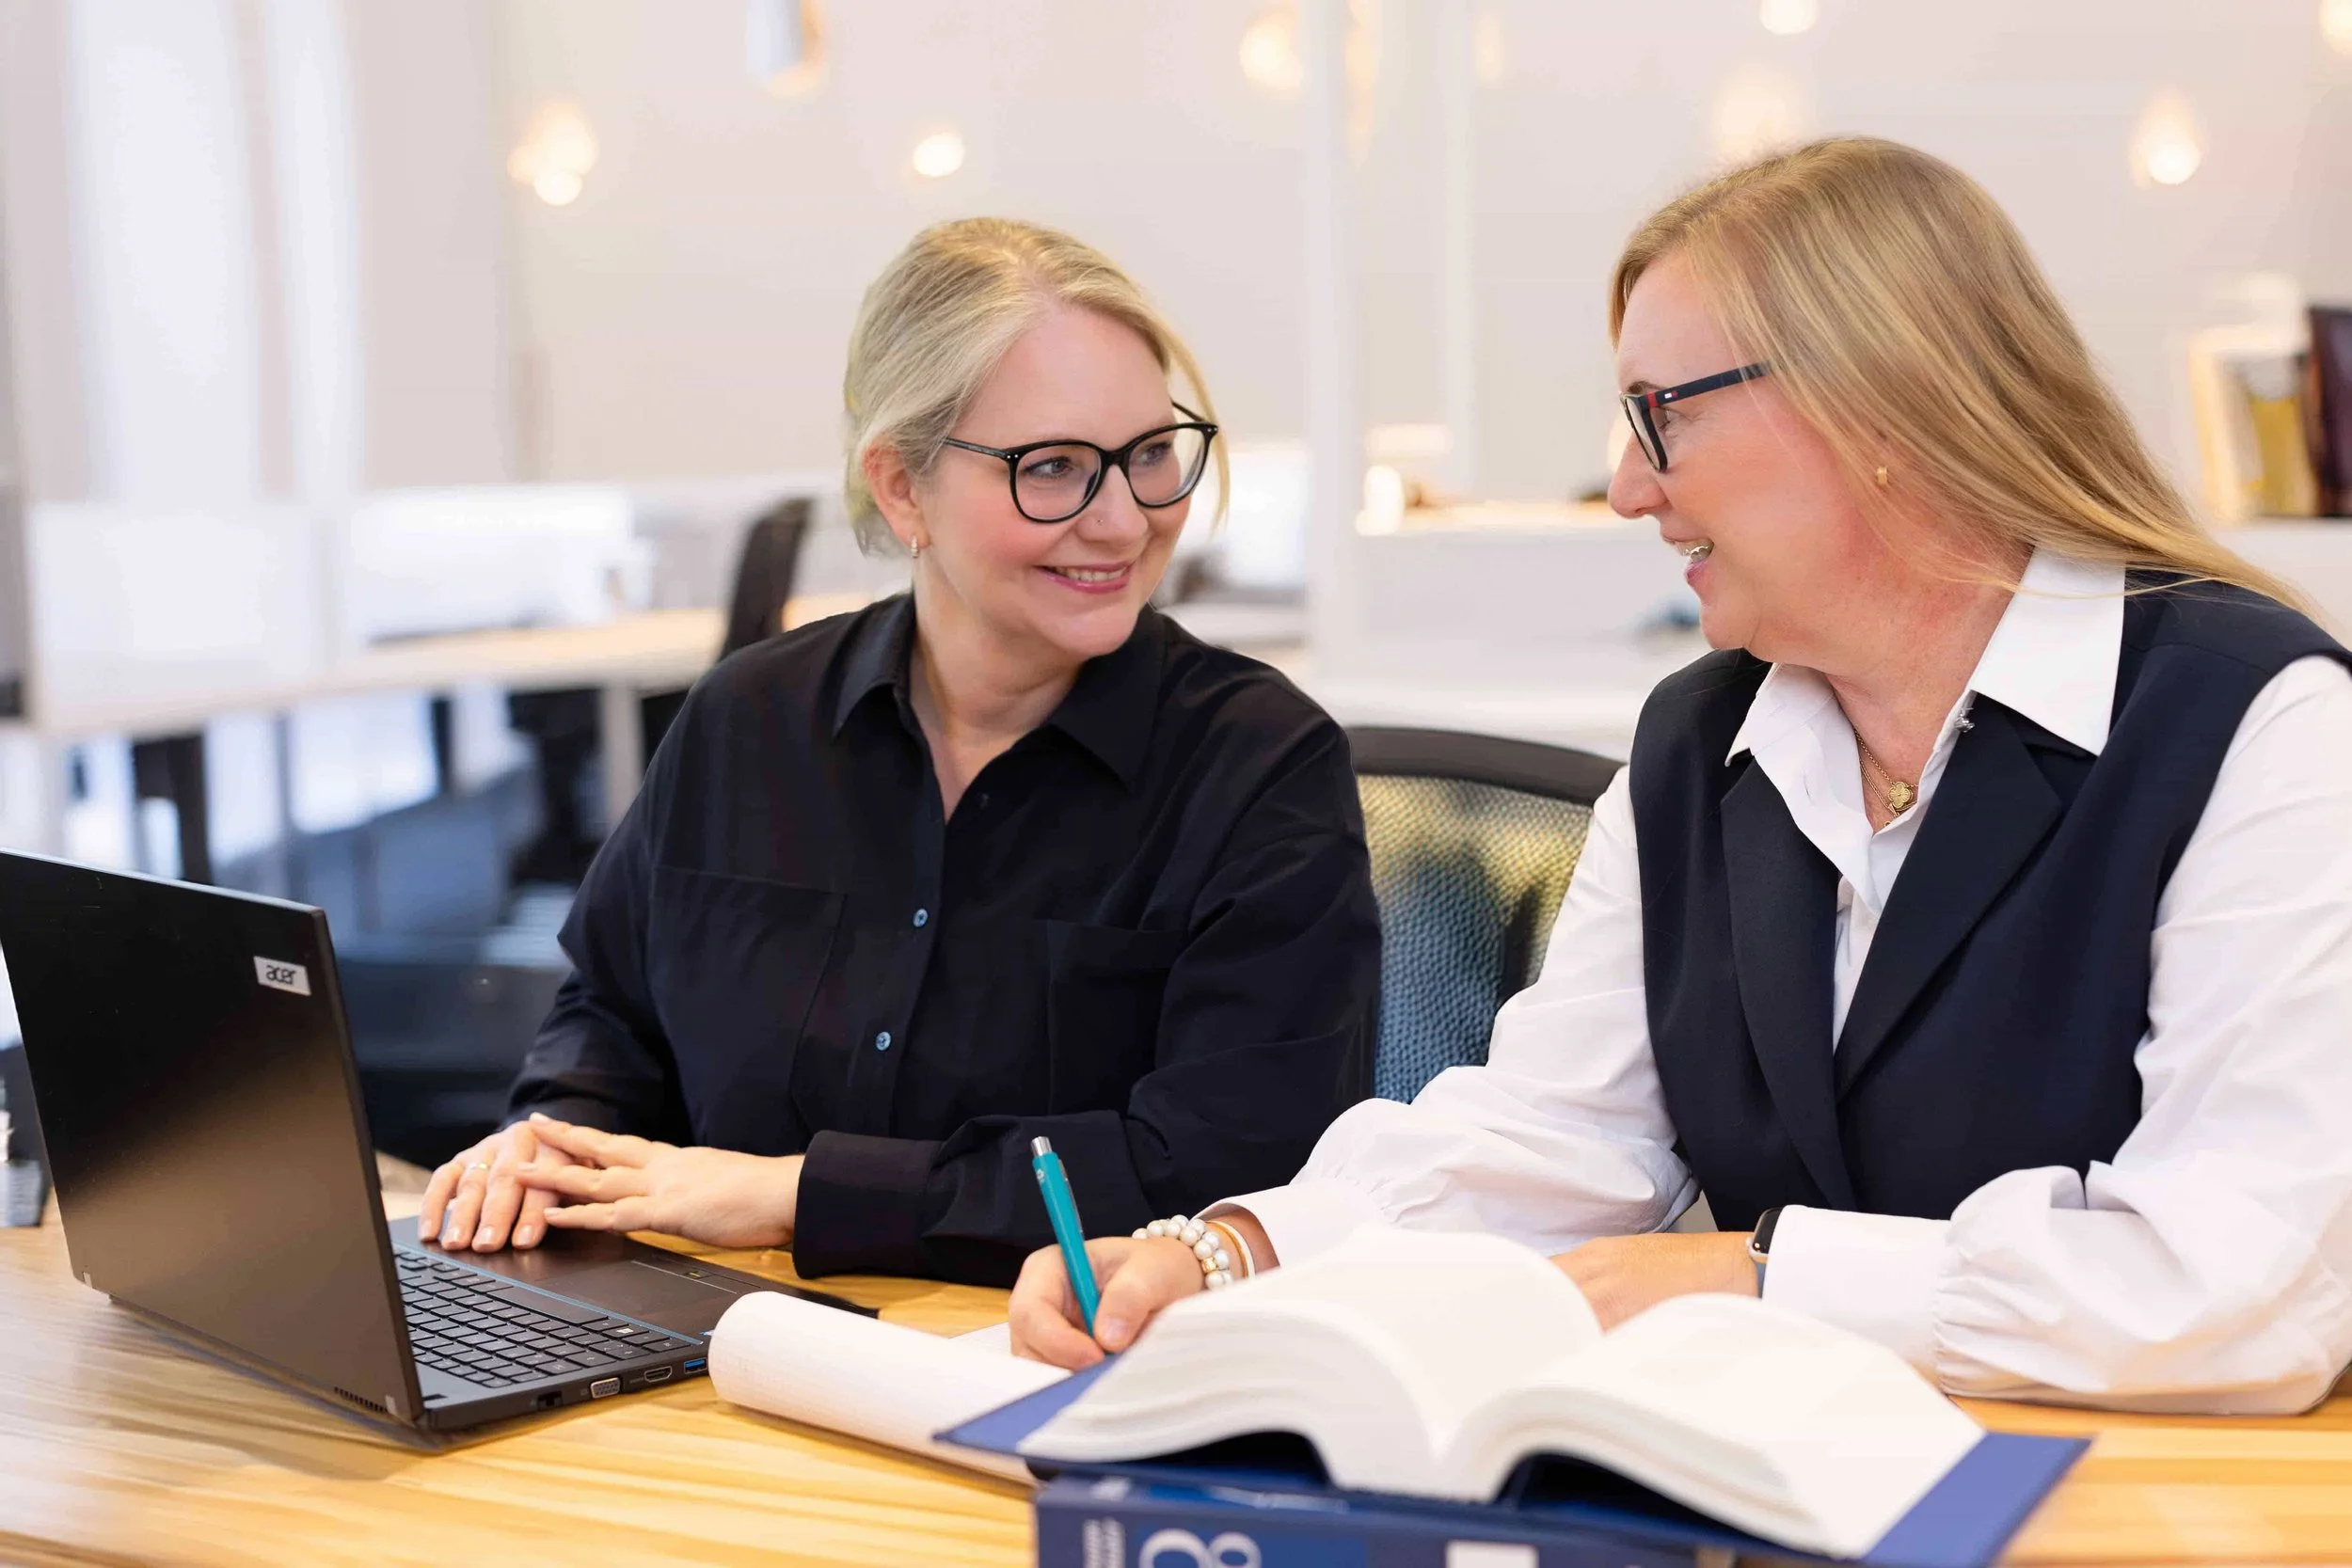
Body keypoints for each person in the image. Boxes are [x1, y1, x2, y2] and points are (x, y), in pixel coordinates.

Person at [1009, 137, 2352, 1414]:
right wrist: (1223, 1251)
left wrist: (1760, 1274)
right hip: (1794, 1477)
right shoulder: (1698, 747)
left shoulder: (2263, 724)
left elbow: (2251, 1283)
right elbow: (1553, 1139)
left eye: (1660, 415)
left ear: (1875, 403)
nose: (1625, 488)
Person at [418, 218, 1381, 1287]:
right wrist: (546, 1146)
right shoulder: (747, 719)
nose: (1123, 520)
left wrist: (794, 1194)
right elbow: (611, 1015)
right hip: (720, 1340)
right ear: (901, 487)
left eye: (1151, 454)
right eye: (1053, 467)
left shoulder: (1261, 769)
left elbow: (1231, 1167)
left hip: (1048, 1352)